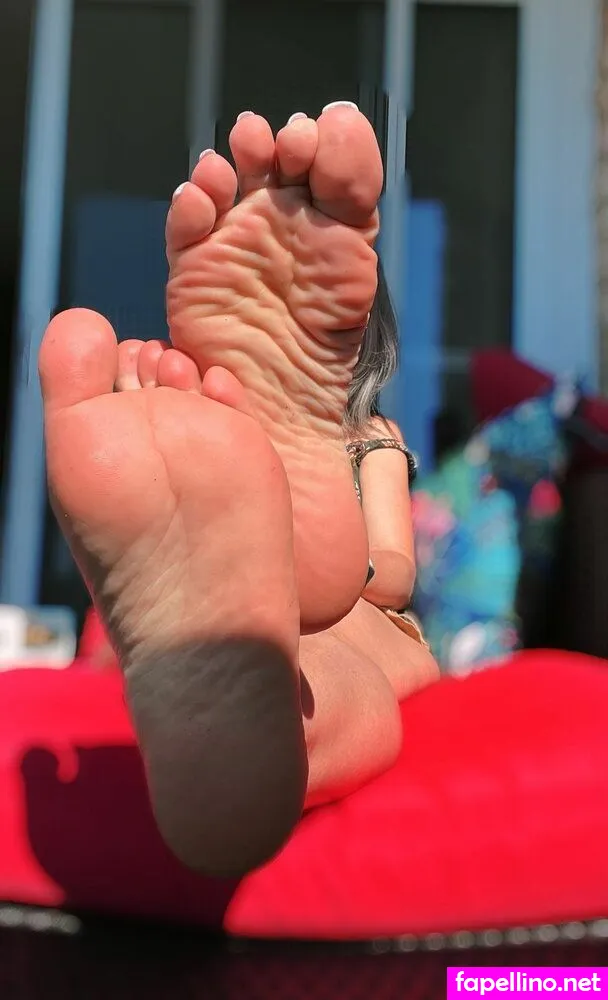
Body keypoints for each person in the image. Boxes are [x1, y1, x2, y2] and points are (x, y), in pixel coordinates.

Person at [39, 103, 438, 879]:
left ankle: (241, 690)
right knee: (334, 682)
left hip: (358, 610)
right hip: (286, 611)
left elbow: (392, 573)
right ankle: (241, 681)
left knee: (325, 665)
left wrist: (342, 569)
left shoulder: (373, 438)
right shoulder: (371, 439)